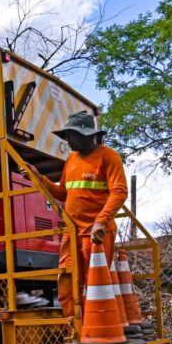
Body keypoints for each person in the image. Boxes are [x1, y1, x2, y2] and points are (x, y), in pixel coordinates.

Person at [25, 111, 128, 319]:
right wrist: (40, 178)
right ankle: (74, 329)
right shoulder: (71, 160)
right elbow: (63, 194)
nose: (67, 141)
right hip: (72, 232)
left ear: (86, 135)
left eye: (71, 135)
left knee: (95, 282)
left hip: (96, 232)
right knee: (66, 282)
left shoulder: (108, 157)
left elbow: (120, 191)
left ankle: (97, 329)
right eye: (67, 136)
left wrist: (101, 220)